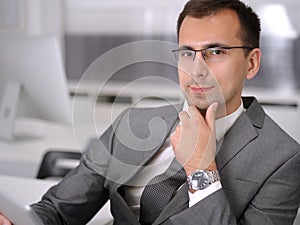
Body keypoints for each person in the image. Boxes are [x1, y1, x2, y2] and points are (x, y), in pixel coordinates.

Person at [1, 0, 300, 224]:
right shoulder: (134, 122)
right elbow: (58, 210)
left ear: (251, 63)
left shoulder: (283, 158)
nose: (197, 70)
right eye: (187, 53)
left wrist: (201, 169)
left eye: (216, 52)